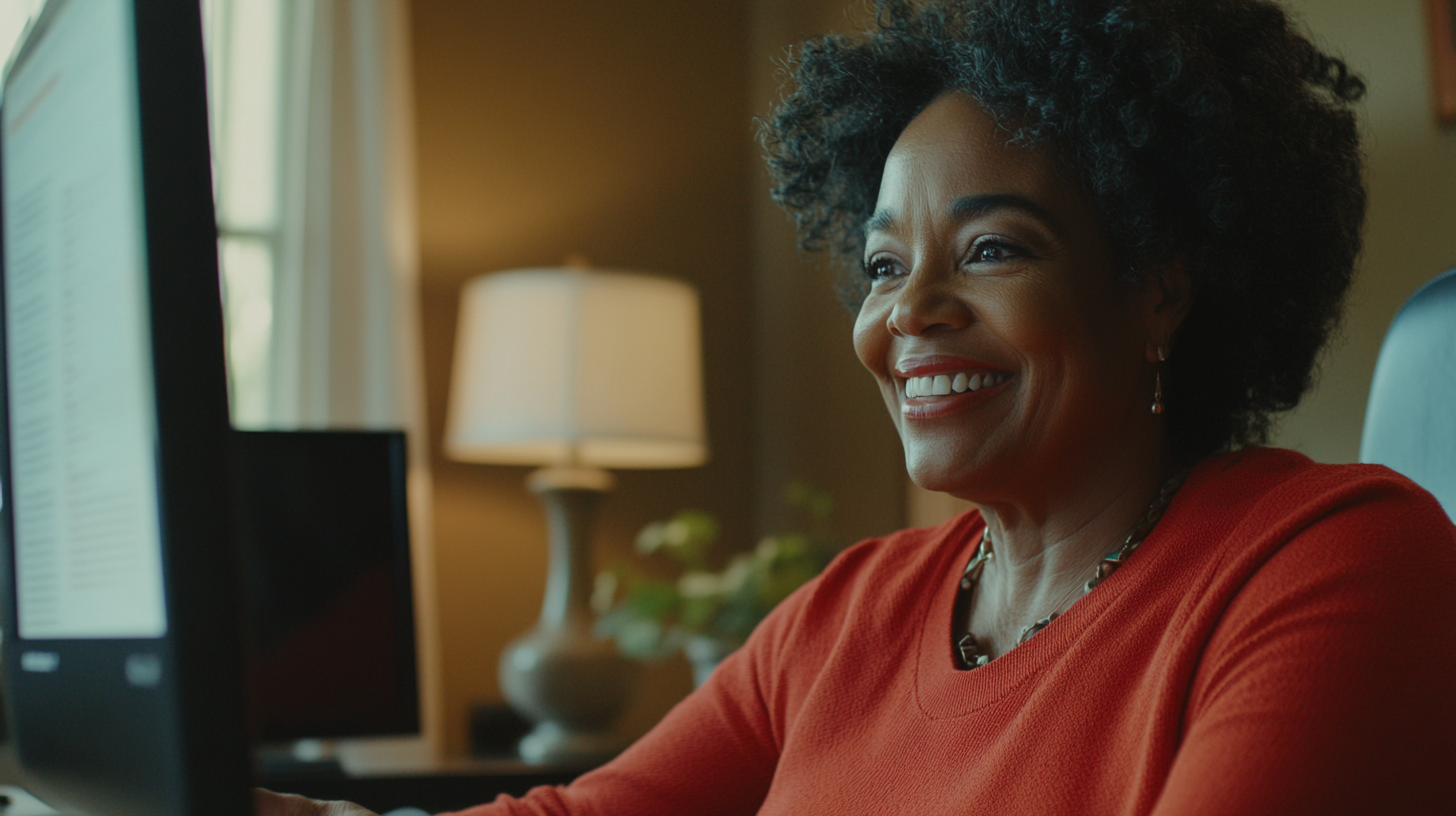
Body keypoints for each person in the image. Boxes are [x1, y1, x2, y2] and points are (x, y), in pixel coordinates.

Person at [259, 0, 1456, 813]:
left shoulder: (1335, 562)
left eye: (991, 248)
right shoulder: (847, 614)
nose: (910, 312)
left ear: (1158, 284)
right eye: (884, 266)